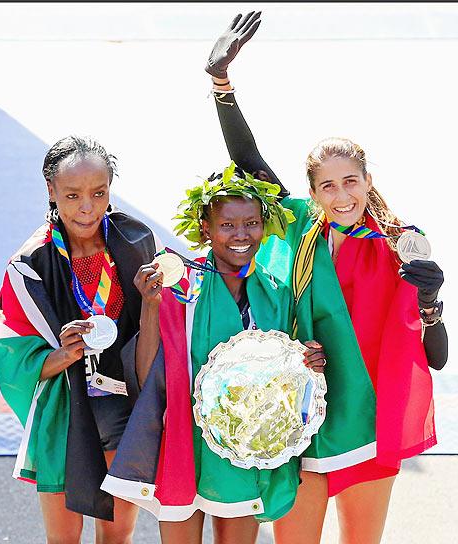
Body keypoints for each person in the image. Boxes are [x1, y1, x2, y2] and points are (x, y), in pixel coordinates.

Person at [204, 12, 449, 544]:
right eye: (328, 186)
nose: (342, 196)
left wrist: (431, 298)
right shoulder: (293, 229)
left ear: (367, 181)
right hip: (302, 419)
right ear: (311, 192)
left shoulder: (399, 245)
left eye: (351, 182)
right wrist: (221, 82)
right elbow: (246, 160)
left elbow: (436, 357)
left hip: (364, 420)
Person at [100, 164, 345, 544]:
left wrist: (310, 361)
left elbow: (288, 374)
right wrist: (150, 307)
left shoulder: (277, 293)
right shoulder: (181, 289)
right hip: (184, 446)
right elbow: (149, 378)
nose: (241, 235)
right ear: (205, 228)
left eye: (251, 223)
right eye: (228, 225)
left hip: (242, 450)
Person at [0, 135, 158, 544]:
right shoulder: (30, 264)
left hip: (123, 407)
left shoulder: (135, 242)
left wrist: (152, 303)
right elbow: (10, 352)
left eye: (99, 193)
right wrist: (63, 354)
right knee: (63, 538)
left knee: (117, 536)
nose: (87, 207)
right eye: (73, 195)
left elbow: (156, 333)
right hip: (64, 413)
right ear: (51, 191)